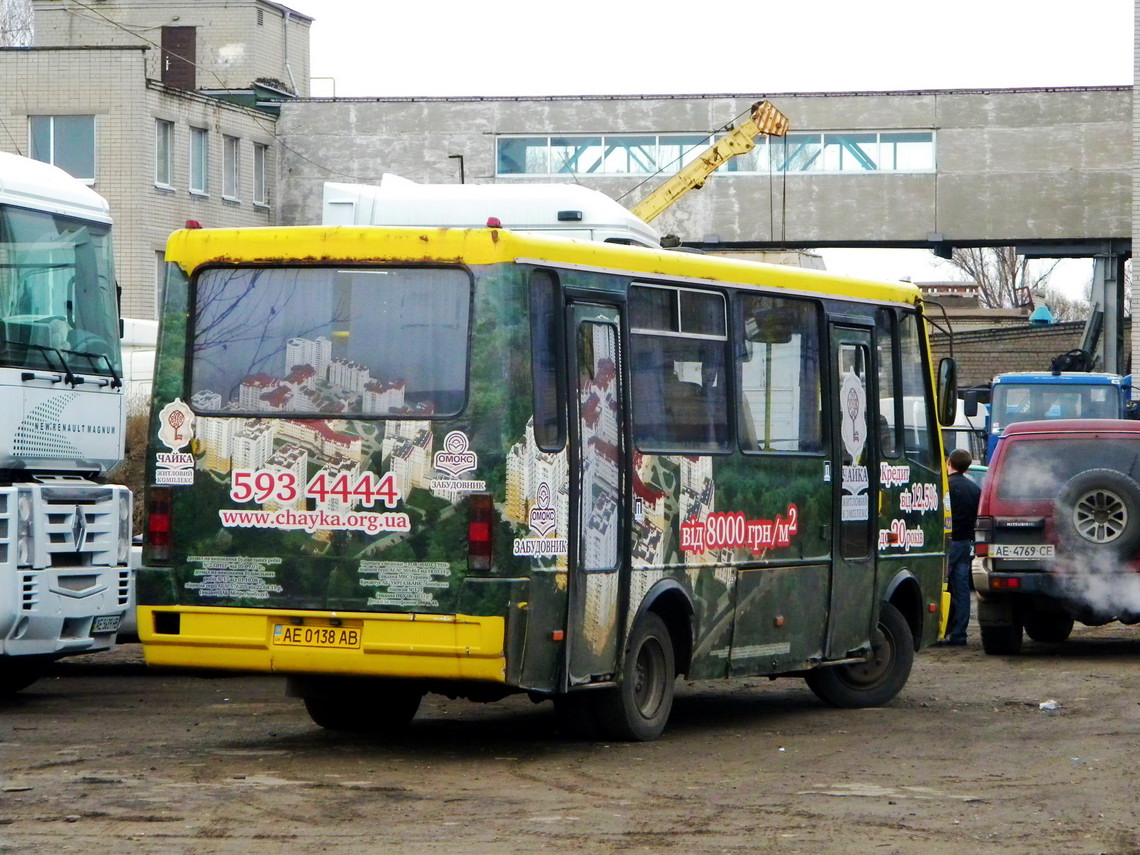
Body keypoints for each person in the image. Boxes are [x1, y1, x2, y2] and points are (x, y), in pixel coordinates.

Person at [942, 448, 981, 646]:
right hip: (965, 542)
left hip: (947, 544)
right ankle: (959, 634)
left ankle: (941, 631)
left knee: (941, 586)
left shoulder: (945, 487)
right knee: (962, 589)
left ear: (949, 462)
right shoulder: (974, 489)